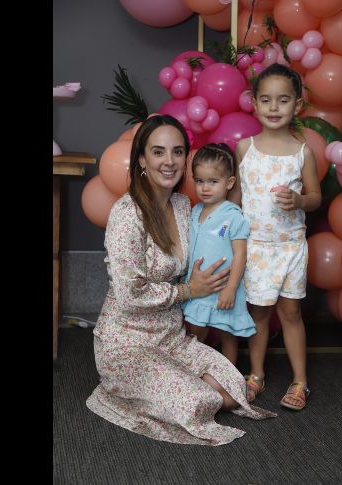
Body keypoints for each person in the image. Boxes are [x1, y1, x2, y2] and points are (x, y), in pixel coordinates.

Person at [85, 114, 276, 446]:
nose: (169, 161)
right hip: (128, 343)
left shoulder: (183, 205)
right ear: (142, 159)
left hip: (173, 338)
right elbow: (130, 294)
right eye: (158, 152)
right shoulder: (127, 213)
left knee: (232, 389)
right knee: (202, 401)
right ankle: (117, 390)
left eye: (177, 152)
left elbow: (221, 235)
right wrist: (189, 290)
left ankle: (165, 385)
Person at [229, 64, 322, 411]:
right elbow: (236, 198)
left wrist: (299, 201)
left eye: (282, 100)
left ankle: (300, 381)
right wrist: (224, 233)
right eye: (266, 99)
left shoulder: (303, 152)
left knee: (291, 312)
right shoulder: (245, 148)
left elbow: (316, 197)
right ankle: (256, 373)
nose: (273, 107)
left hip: (290, 247)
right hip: (255, 247)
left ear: (297, 105)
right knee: (259, 313)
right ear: (253, 103)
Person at [182, 144, 255, 365]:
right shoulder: (194, 211)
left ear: (229, 183)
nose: (205, 188)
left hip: (224, 288)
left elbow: (240, 254)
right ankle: (195, 371)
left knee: (227, 333)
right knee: (196, 332)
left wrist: (231, 289)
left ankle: (228, 375)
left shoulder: (233, 216)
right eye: (199, 181)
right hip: (199, 287)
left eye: (213, 181)